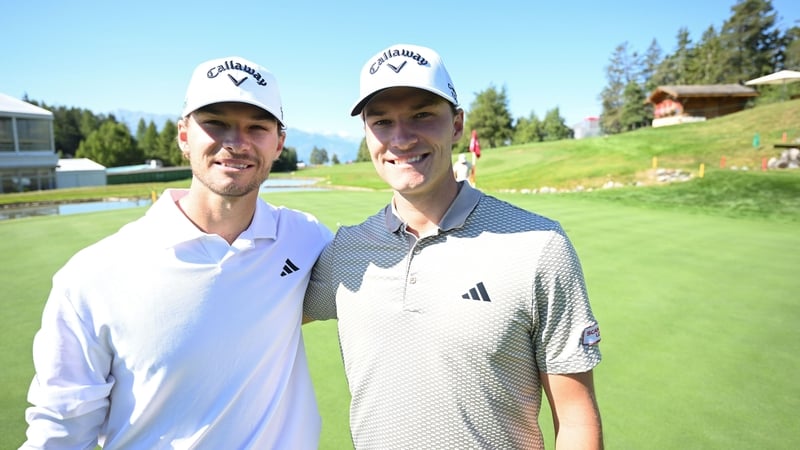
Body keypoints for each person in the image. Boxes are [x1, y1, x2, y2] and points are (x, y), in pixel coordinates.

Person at [21, 56, 332, 449]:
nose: (236, 142)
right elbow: (61, 433)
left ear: (279, 143)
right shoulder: (89, 277)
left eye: (257, 127)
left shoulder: (305, 239)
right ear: (184, 136)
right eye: (216, 124)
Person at [304, 44, 603, 449]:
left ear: (457, 125)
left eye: (422, 115)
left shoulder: (539, 246)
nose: (401, 138)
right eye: (382, 121)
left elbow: (575, 418)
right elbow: (250, 314)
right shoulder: (346, 251)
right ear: (367, 135)